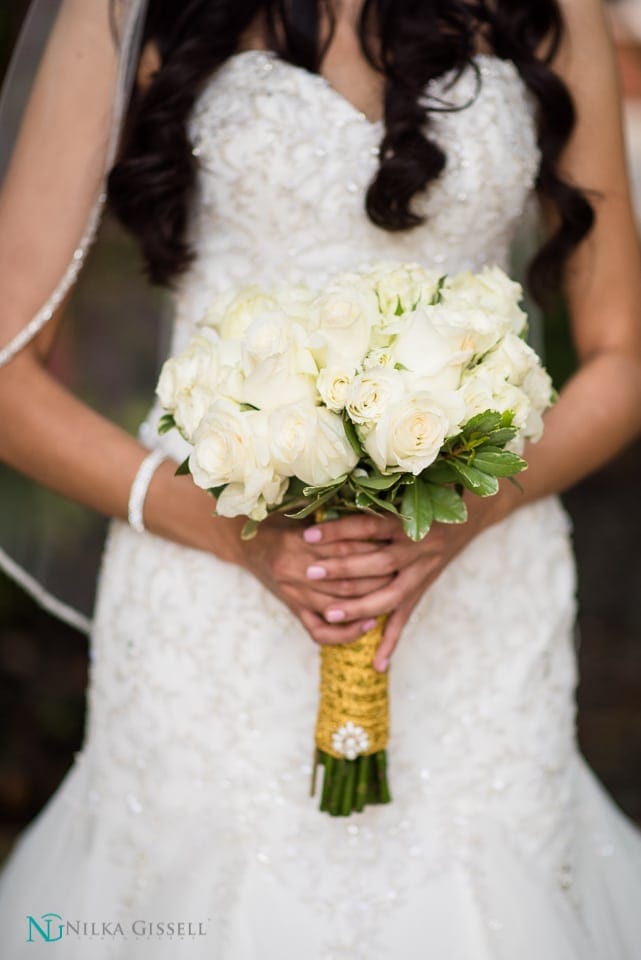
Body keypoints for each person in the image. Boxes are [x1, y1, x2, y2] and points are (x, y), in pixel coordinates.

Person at [1, 0, 641, 956]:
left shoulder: (550, 9)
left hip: (479, 602)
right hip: (208, 590)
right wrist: (222, 527)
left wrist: (469, 509)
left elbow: (621, 350)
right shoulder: (126, 9)